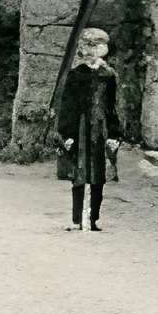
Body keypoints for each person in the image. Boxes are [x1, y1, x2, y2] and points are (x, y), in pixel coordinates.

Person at [56, 27, 123, 231]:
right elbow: (67, 105)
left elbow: (113, 106)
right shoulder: (76, 75)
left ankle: (93, 218)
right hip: (80, 128)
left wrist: (115, 133)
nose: (95, 51)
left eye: (99, 46)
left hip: (101, 129)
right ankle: (78, 217)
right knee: (79, 173)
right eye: (91, 46)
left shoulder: (108, 75)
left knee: (98, 175)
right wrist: (67, 133)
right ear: (84, 48)